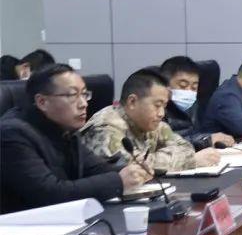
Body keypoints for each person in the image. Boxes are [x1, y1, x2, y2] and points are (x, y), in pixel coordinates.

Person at [0, 64, 152, 213]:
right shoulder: (13, 134)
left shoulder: (65, 129)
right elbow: (50, 193)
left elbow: (96, 169)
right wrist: (119, 181)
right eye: (73, 95)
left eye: (84, 94)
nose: (83, 104)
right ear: (42, 102)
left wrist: (133, 171)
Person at [81, 68, 221, 173]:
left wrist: (156, 159)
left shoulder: (152, 123)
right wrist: (190, 161)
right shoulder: (105, 128)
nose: (161, 113)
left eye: (164, 106)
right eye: (157, 105)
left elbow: (185, 147)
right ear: (132, 102)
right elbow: (134, 168)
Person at [160, 56, 234, 151]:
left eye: (194, 87)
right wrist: (205, 140)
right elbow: (164, 145)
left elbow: (194, 135)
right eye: (183, 86)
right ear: (164, 85)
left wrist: (212, 137)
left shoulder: (194, 105)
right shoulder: (156, 110)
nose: (189, 92)